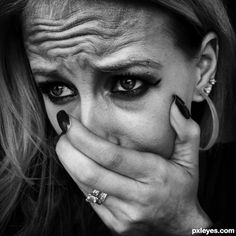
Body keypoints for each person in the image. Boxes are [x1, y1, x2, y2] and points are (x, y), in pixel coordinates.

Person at [0, 0, 235, 235]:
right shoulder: (18, 206)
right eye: (58, 89)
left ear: (203, 69)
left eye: (127, 83)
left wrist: (184, 225)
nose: (88, 132)